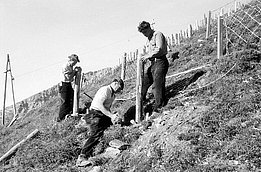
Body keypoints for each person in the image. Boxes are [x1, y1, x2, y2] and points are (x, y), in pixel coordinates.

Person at [76, 78, 124, 167]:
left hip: (102, 114)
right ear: (115, 83)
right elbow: (99, 105)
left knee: (114, 125)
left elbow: (107, 108)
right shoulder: (105, 90)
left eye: (120, 90)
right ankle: (82, 157)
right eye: (119, 87)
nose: (119, 90)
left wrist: (113, 117)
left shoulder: (113, 95)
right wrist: (111, 116)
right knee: (96, 133)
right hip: (95, 114)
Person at [138, 21, 169, 113]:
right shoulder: (148, 39)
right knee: (144, 82)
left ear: (148, 28)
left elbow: (159, 49)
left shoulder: (157, 35)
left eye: (145, 32)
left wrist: (148, 55)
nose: (144, 35)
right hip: (153, 63)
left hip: (160, 61)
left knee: (157, 85)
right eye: (142, 33)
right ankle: (140, 103)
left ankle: (159, 105)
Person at [57, 54, 81, 122]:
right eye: (75, 62)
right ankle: (61, 118)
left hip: (68, 84)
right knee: (65, 101)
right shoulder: (66, 66)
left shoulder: (70, 66)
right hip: (64, 84)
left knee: (72, 98)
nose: (75, 64)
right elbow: (69, 77)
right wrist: (75, 71)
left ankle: (69, 113)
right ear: (71, 60)